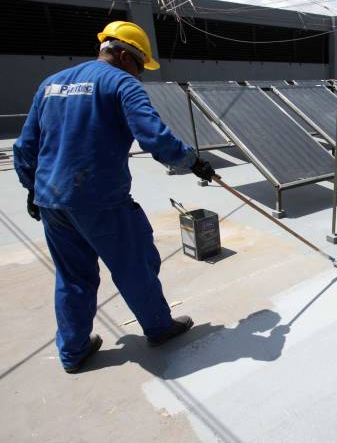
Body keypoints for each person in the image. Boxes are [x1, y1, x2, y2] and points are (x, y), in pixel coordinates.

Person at [13, 21, 216, 373]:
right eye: (140, 66)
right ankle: (158, 327)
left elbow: (24, 146)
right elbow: (156, 138)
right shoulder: (121, 83)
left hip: (52, 201)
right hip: (100, 201)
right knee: (135, 264)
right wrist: (193, 161)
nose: (139, 74)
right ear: (124, 56)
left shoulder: (50, 84)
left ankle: (74, 351)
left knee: (72, 277)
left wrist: (32, 189)